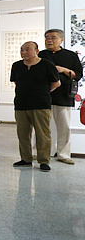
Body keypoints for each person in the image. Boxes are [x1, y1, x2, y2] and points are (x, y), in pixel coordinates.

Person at [11, 41, 60, 172]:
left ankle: (44, 160)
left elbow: (56, 83)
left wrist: (43, 92)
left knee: (43, 134)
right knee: (23, 134)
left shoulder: (46, 65)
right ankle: (26, 159)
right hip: (21, 104)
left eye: (27, 49)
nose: (24, 52)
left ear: (37, 51)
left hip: (41, 104)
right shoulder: (16, 66)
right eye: (22, 50)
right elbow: (17, 82)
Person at [39, 28, 83, 165]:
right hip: (43, 95)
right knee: (41, 126)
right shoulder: (41, 55)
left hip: (63, 95)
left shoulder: (70, 56)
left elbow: (78, 75)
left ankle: (63, 154)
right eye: (47, 37)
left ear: (61, 40)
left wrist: (64, 70)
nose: (49, 40)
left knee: (63, 126)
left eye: (53, 37)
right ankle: (41, 152)